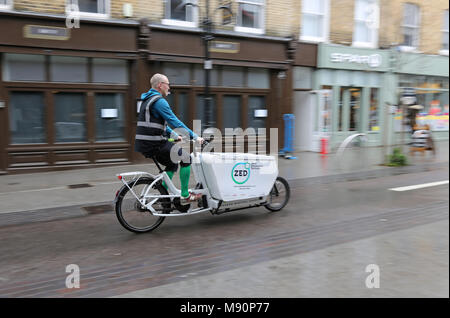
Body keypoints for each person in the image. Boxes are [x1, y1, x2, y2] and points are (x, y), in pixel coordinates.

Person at [135, 73, 204, 204]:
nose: (169, 88)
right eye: (167, 84)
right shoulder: (159, 101)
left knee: (172, 164)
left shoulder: (147, 100)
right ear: (160, 85)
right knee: (186, 158)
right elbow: (174, 121)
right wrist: (194, 136)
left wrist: (174, 136)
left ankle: (163, 194)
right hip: (154, 143)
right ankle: (185, 194)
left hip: (145, 143)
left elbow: (159, 125)